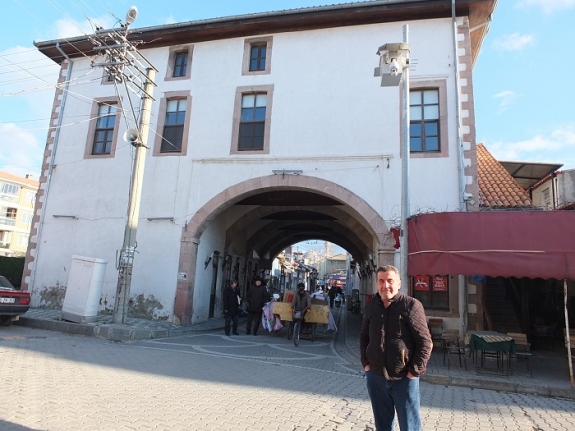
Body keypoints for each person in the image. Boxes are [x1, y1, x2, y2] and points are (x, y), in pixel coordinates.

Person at [359, 265, 432, 431]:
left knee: (409, 426)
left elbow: (425, 342)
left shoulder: (411, 306)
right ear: (376, 284)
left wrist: (413, 372)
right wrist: (366, 365)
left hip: (404, 379)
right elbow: (364, 337)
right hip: (376, 377)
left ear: (399, 283)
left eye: (390, 281)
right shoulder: (371, 306)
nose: (386, 286)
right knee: (382, 426)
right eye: (381, 281)